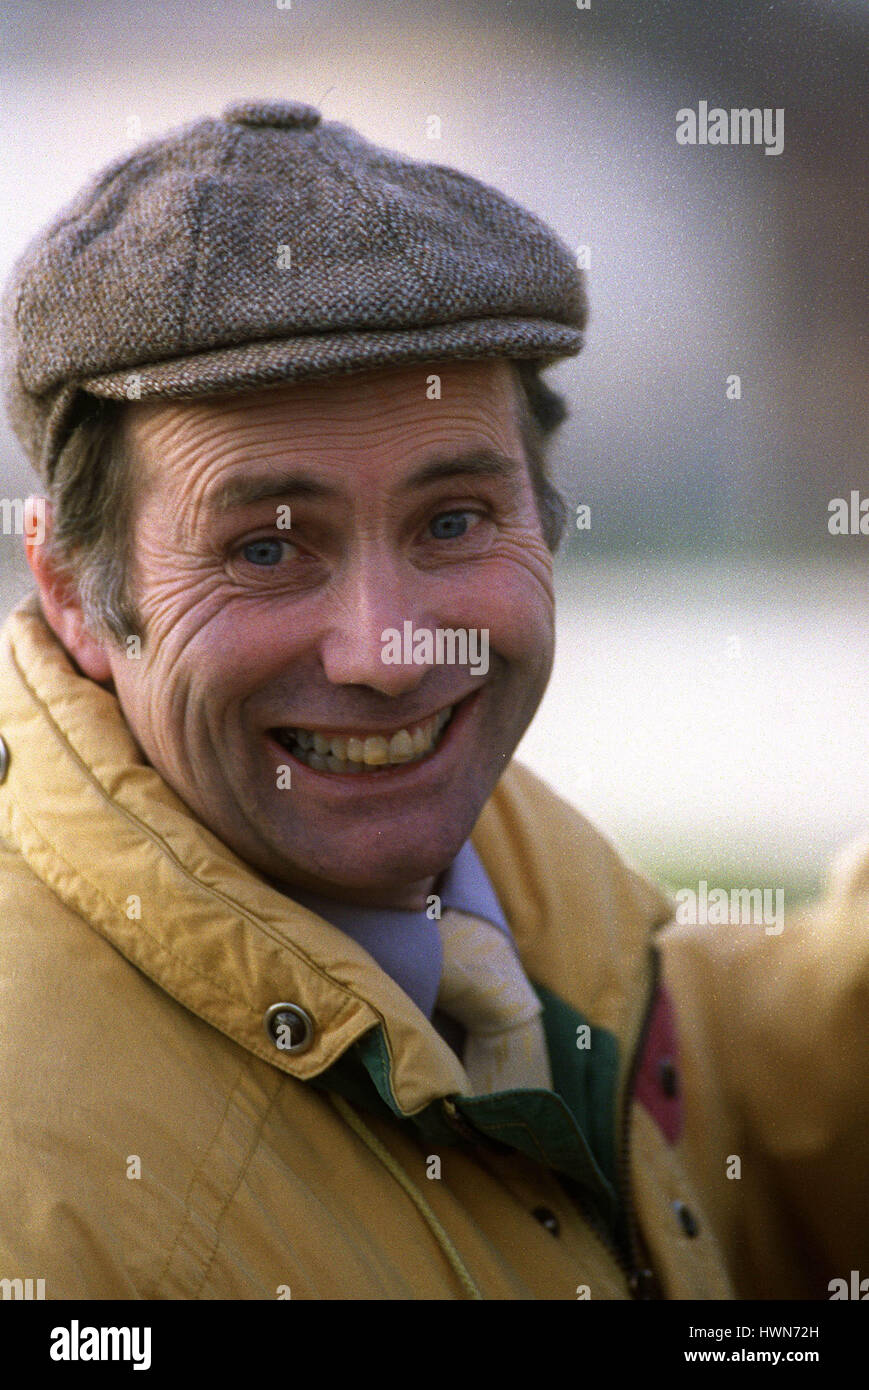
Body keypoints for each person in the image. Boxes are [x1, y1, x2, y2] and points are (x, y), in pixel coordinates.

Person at [0, 97, 854, 1303]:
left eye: (453, 521)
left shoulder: (516, 880)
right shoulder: (46, 1196)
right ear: (74, 593)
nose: (389, 653)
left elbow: (751, 1106)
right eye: (265, 548)